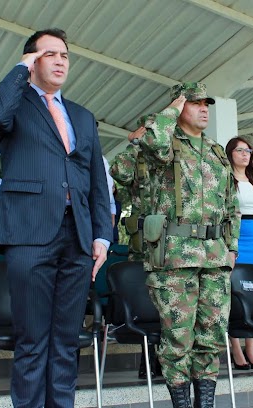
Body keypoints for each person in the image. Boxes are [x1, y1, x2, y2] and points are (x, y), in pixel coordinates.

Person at [0, 28, 111, 408]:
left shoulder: (83, 117)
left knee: (66, 340)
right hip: (29, 232)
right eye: (49, 54)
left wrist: (102, 237)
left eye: (65, 55)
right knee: (33, 339)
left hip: (78, 236)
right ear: (32, 60)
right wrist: (21, 69)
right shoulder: (14, 104)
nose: (59, 61)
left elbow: (96, 182)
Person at [131, 82, 239, 408]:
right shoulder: (164, 145)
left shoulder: (217, 151)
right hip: (176, 256)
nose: (204, 108)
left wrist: (231, 247)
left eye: (207, 102)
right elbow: (148, 138)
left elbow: (231, 203)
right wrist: (172, 110)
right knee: (178, 338)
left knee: (210, 338)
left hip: (215, 256)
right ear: (180, 107)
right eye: (194, 103)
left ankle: (204, 404)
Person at [109, 120, 162, 379]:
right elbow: (118, 171)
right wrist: (134, 144)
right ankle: (148, 359)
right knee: (146, 299)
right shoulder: (135, 158)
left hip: (173, 243)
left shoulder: (172, 154)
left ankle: (166, 358)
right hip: (143, 241)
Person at [225, 137, 253, 371]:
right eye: (240, 150)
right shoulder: (227, 179)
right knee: (236, 291)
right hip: (236, 234)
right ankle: (236, 348)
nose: (245, 154)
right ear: (231, 154)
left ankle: (252, 347)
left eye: (248, 150)